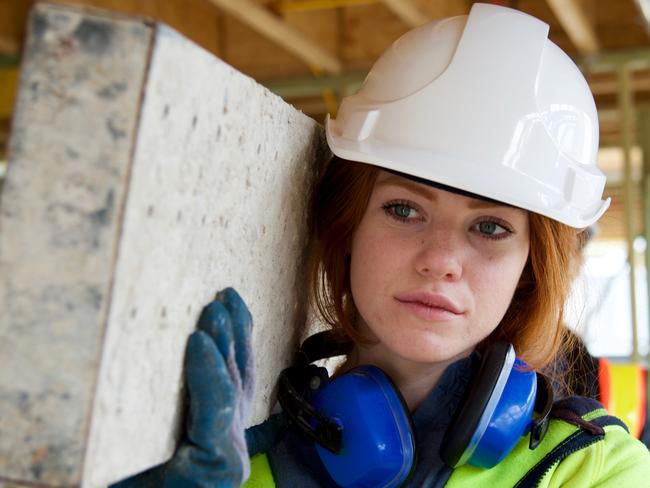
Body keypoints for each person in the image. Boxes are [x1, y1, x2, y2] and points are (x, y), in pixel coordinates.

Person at [114, 3, 650, 487]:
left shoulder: (592, 466)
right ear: (348, 229)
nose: (440, 261)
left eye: (490, 228)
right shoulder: (231, 459)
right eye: (404, 210)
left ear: (529, 269)